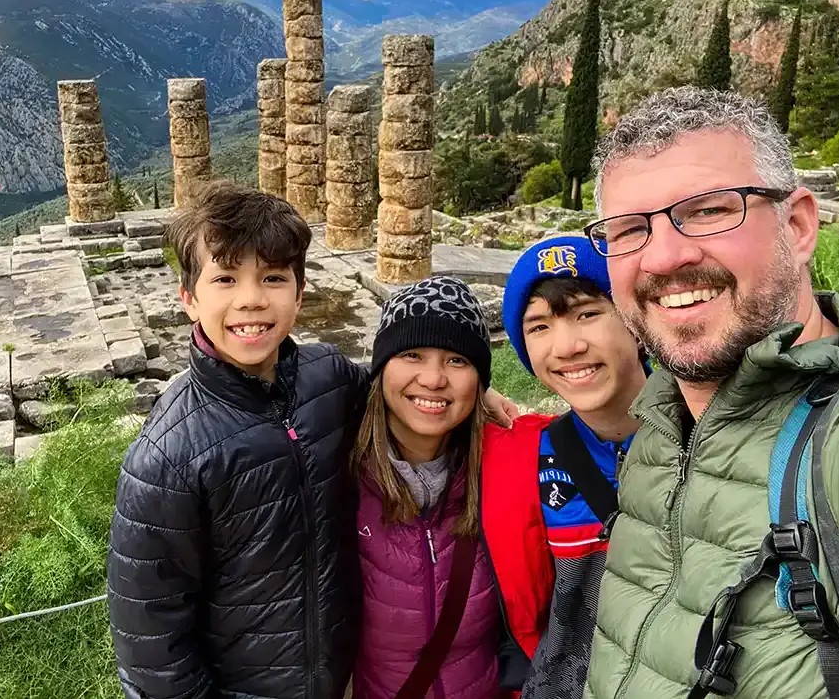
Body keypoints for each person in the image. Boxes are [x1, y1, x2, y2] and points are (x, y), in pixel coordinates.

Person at [107, 181, 517, 699]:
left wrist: (475, 389)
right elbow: (152, 645)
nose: (251, 300)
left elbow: (396, 382)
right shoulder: (167, 455)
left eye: (273, 277)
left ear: (300, 293)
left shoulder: (327, 377)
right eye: (226, 278)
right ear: (189, 299)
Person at [580, 87, 839, 699]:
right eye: (629, 230)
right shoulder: (659, 427)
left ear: (799, 225)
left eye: (707, 210)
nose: (665, 257)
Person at [481, 234, 645, 699]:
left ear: (635, 321)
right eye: (538, 327)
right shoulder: (521, 456)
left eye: (588, 314)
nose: (567, 346)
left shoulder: (714, 439)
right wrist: (472, 388)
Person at [351, 276, 503, 699]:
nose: (434, 379)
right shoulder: (333, 472)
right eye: (412, 354)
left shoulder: (506, 472)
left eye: (457, 361)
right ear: (380, 369)